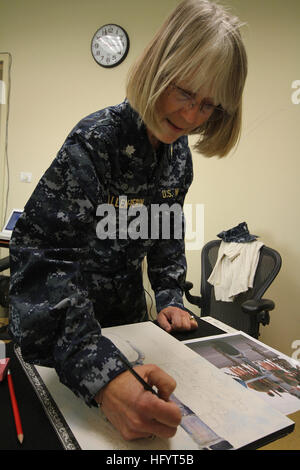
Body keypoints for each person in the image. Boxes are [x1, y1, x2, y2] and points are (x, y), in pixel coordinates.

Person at [8, 0, 247, 441]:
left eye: (208, 106)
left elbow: (165, 233)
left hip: (131, 324)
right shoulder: (96, 141)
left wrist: (171, 295)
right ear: (157, 67)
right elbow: (42, 260)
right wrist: (100, 375)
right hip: (65, 335)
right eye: (184, 93)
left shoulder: (179, 157)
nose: (191, 118)